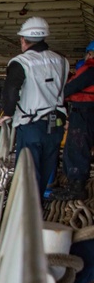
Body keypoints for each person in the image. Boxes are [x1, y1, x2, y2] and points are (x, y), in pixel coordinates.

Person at [0, 16, 69, 198]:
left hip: (31, 125)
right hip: (56, 125)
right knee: (45, 169)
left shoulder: (21, 62)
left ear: (23, 40)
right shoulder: (61, 61)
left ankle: (24, 214)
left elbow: (11, 90)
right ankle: (37, 207)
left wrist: (7, 113)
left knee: (27, 171)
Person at [54, 41, 94, 200]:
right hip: (84, 112)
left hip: (84, 113)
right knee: (77, 149)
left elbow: (72, 87)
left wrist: (52, 97)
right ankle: (74, 185)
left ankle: (76, 189)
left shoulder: (91, 70)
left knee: (76, 149)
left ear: (90, 54)